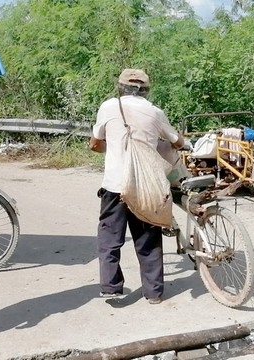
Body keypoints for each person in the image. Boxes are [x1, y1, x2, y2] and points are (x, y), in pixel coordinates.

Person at [89, 68, 184, 304]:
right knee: (148, 239)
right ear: (146, 90)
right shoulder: (155, 112)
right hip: (145, 186)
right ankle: (153, 293)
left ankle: (110, 287)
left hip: (114, 185)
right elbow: (178, 142)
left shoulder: (108, 106)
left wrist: (114, 148)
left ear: (120, 87)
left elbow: (94, 144)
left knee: (110, 238)